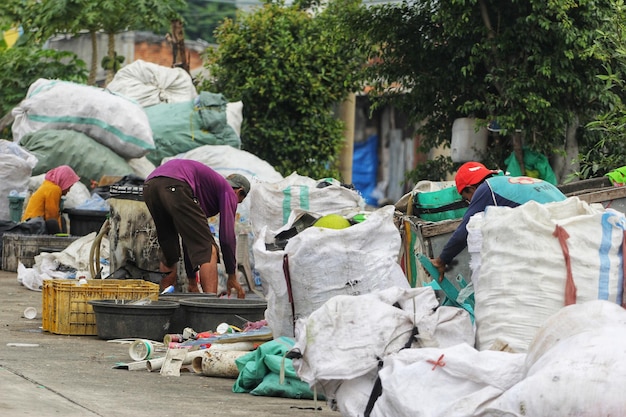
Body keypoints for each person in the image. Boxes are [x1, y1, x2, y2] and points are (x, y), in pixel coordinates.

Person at [431, 161, 567, 279]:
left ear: (471, 189)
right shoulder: (505, 182)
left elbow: (463, 232)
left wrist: (442, 260)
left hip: (554, 223)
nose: (470, 202)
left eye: (467, 199)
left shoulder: (485, 189)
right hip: (568, 215)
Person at [143, 159, 250, 297]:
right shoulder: (228, 191)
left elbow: (191, 241)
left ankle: (166, 302)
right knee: (208, 249)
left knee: (169, 251)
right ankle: (209, 307)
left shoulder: (204, 192)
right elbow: (227, 237)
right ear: (239, 192)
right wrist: (232, 275)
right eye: (239, 201)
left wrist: (192, 282)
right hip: (175, 184)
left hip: (150, 186)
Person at [22, 165, 80, 235]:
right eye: (68, 186)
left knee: (61, 220)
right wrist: (60, 233)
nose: (69, 190)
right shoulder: (54, 189)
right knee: (54, 222)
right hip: (35, 226)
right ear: (63, 181)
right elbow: (52, 214)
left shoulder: (48, 185)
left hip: (30, 224)